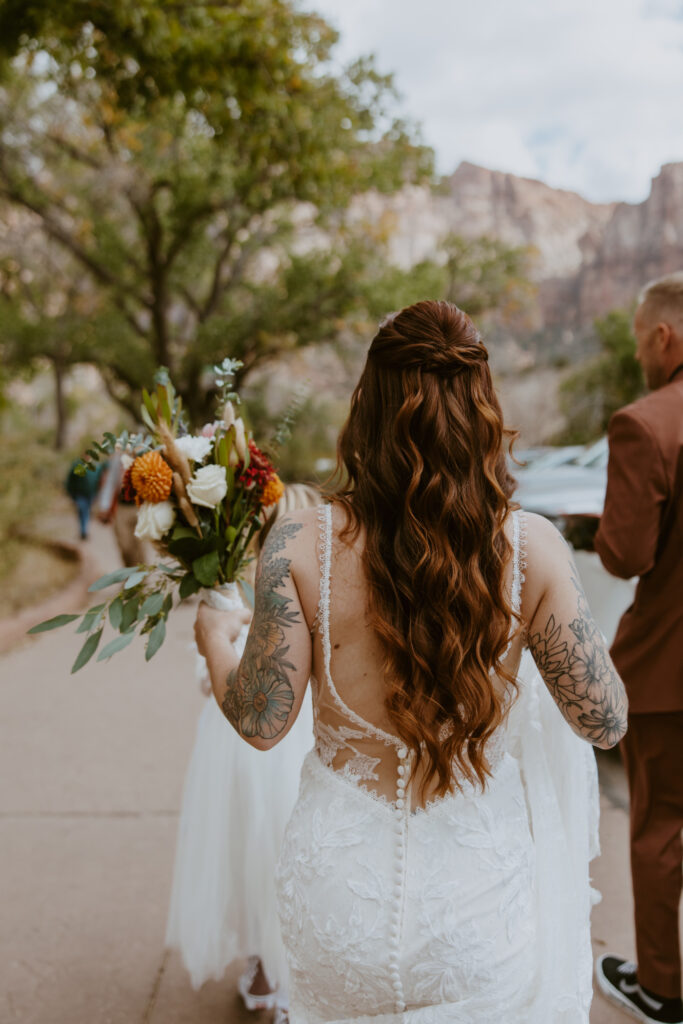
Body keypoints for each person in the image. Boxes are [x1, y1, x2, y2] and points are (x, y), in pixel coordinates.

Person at [195, 300, 628, 1023]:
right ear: (484, 408)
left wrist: (215, 642)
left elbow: (261, 722)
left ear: (366, 406)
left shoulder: (297, 541)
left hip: (339, 899)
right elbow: (605, 720)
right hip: (476, 906)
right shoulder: (531, 549)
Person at [166, 483, 319, 1021]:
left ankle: (277, 967)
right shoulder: (238, 589)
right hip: (254, 743)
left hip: (257, 740)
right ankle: (270, 964)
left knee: (264, 850)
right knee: (267, 853)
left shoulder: (247, 588)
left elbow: (207, 674)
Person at [593, 273, 683, 1024]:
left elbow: (622, 555)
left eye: (637, 341)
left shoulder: (645, 423)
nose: (637, 358)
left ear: (665, 336)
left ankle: (660, 988)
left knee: (659, 830)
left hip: (669, 669)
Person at [65, 458, 104, 540]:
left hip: (91, 495)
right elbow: (71, 479)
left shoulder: (96, 467)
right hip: (80, 494)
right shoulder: (78, 466)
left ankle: (84, 531)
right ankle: (83, 531)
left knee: (86, 512)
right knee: (83, 511)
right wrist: (71, 493)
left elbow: (99, 481)